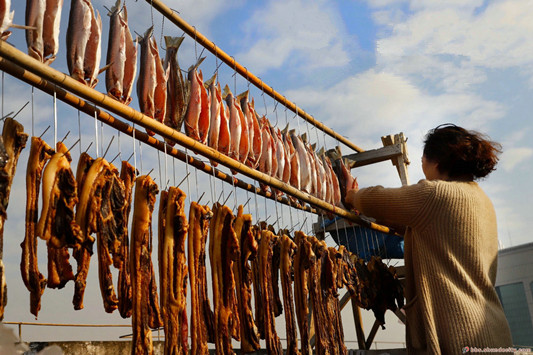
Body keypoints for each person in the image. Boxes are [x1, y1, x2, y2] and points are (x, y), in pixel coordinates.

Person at [345, 124, 513, 355]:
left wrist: (352, 195)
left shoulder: (435, 194)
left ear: (437, 161)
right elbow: (434, 232)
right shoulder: (482, 201)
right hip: (493, 330)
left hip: (457, 334)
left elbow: (375, 200)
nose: (421, 164)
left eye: (423, 158)